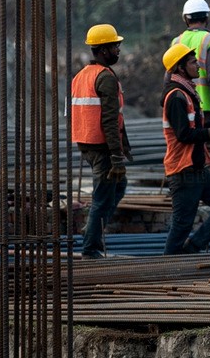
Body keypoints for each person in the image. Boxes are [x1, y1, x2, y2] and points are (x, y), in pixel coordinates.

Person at [161, 43, 210, 255]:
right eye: (193, 62)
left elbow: (196, 126)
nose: (198, 66)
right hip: (183, 170)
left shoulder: (187, 93)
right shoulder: (176, 97)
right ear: (180, 67)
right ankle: (167, 268)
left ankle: (193, 248)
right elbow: (184, 134)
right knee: (181, 226)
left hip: (196, 167)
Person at [71, 24, 133, 259]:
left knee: (119, 186)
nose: (118, 50)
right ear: (104, 49)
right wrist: (116, 155)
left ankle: (92, 230)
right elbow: (109, 119)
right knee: (102, 195)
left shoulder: (81, 76)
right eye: (115, 46)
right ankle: (91, 247)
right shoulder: (104, 77)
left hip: (87, 142)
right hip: (102, 145)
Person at [171, 0, 210, 172]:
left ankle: (193, 194)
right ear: (206, 18)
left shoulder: (176, 42)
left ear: (186, 19)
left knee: (188, 156)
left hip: (183, 109)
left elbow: (168, 79)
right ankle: (208, 195)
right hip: (207, 111)